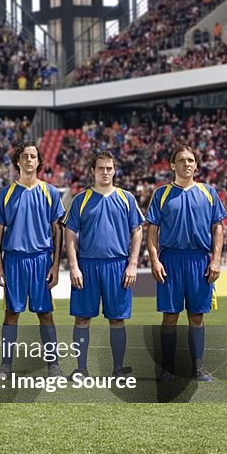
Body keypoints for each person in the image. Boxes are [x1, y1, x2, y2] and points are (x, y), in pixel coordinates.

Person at [146, 145, 227, 382]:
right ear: (173, 165)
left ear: (197, 165)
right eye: (181, 160)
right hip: (170, 260)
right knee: (170, 316)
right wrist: (154, 260)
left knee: (196, 316)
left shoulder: (208, 192)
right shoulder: (161, 194)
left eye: (191, 160)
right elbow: (152, 230)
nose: (187, 164)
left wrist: (216, 260)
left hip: (199, 260)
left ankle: (198, 367)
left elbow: (218, 228)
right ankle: (168, 367)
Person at [62, 152, 143, 379]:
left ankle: (118, 369)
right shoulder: (81, 199)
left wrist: (133, 264)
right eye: (100, 168)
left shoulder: (126, 198)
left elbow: (137, 231)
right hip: (87, 266)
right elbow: (70, 233)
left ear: (114, 170)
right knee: (82, 318)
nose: (105, 172)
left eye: (109, 168)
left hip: (118, 266)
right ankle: (81, 369)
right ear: (93, 171)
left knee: (117, 318)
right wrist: (74, 266)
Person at [0, 142, 65, 379]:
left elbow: (57, 230)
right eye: (25, 156)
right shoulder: (6, 193)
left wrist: (55, 264)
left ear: (39, 161)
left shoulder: (50, 192)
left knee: (45, 313)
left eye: (33, 156)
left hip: (41, 259)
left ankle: (53, 365)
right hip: (14, 259)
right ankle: (5, 365)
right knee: (12, 312)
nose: (29, 160)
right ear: (18, 162)